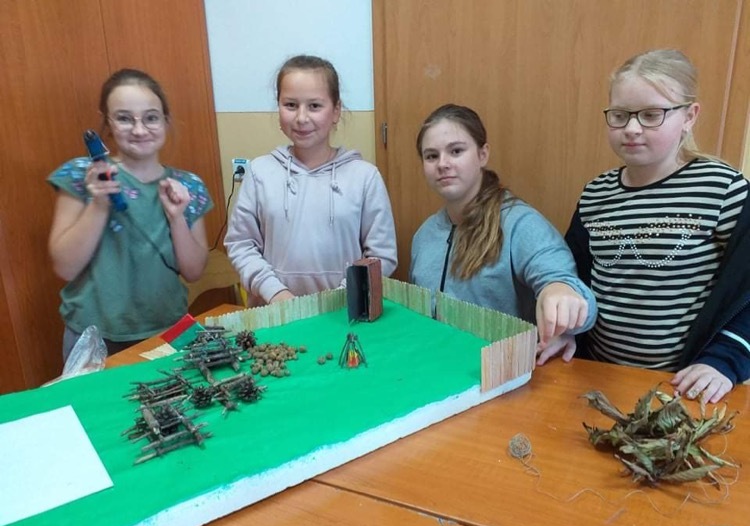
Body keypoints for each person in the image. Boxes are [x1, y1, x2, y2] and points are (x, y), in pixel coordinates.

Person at [559, 49, 750, 403]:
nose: (631, 129)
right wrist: (566, 329)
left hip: (681, 388)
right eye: (620, 115)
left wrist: (726, 360)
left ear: (689, 116)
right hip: (598, 378)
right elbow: (574, 278)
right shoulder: (595, 194)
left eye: (651, 115)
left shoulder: (724, 189)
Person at [48, 68, 213, 361]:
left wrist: (177, 217)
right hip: (92, 336)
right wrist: (99, 204)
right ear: (108, 124)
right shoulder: (82, 176)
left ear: (165, 121)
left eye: (151, 118)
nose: (139, 130)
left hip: (168, 330)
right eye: (124, 118)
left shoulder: (188, 185)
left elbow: (193, 271)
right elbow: (65, 267)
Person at [410, 104, 597, 356]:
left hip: (502, 370)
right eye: (431, 156)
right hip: (435, 366)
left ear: (482, 155)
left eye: (456, 151)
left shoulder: (520, 224)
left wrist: (559, 291)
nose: (443, 164)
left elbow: (568, 288)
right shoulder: (424, 235)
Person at [224, 55, 397, 306]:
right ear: (278, 106)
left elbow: (382, 255)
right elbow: (241, 244)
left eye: (315, 106)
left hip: (342, 313)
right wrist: (275, 293)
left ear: (336, 110)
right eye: (290, 105)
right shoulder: (259, 172)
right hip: (276, 313)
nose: (302, 117)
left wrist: (344, 296)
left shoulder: (365, 177)